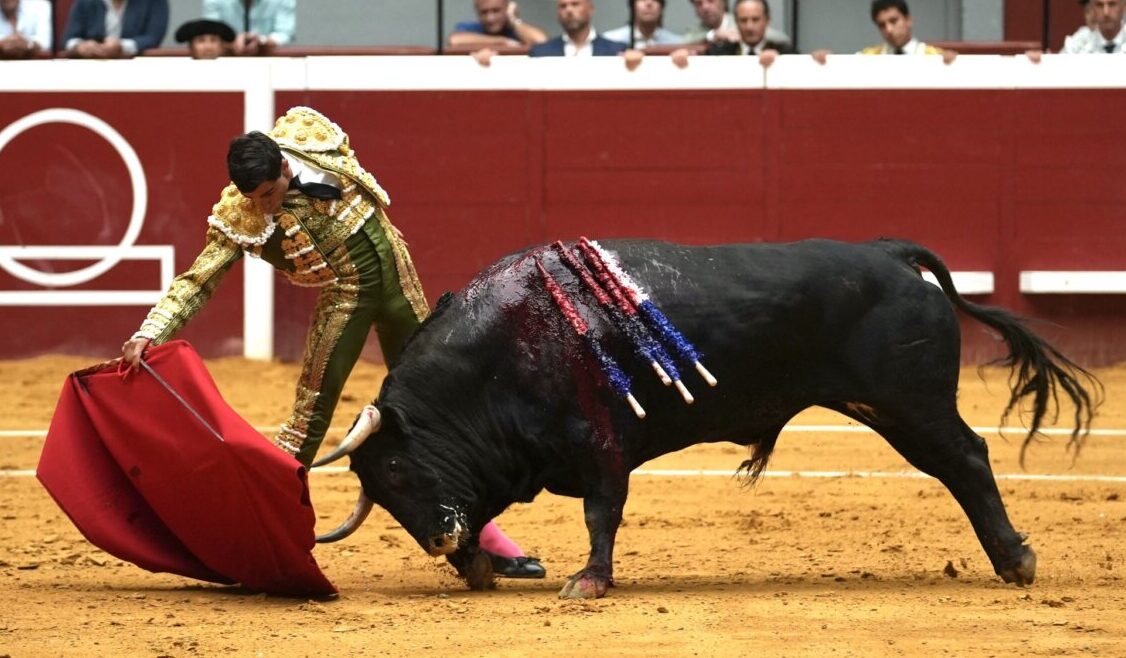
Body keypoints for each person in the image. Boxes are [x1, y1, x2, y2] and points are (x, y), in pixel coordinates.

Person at [120, 106, 545, 580]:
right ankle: (263, 536)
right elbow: (198, 280)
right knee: (309, 419)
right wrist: (149, 331)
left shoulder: (313, 136)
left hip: (399, 278)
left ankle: (478, 540)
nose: (264, 208)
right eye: (254, 199)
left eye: (269, 194)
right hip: (346, 297)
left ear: (284, 165)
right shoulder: (239, 214)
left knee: (447, 412)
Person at [670, 0, 794, 68]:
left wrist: (780, 60)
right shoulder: (720, 51)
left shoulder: (784, 49)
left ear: (767, 20)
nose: (749, 27)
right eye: (743, 20)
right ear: (736, 22)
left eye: (755, 20)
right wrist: (686, 58)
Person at [859, 0, 956, 63]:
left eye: (893, 21)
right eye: (882, 25)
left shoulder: (936, 57)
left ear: (908, 20)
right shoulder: (866, 58)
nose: (889, 29)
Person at [63, 0, 168, 58]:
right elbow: (69, 39)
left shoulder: (154, 2)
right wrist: (79, 46)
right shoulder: (85, 2)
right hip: (90, 67)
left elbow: (153, 37)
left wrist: (122, 46)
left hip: (135, 68)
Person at [530, 0, 628, 56]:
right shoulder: (541, 52)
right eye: (563, 6)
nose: (569, 10)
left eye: (575, 4)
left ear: (590, 9)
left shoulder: (617, 51)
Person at [681, 0, 790, 49]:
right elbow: (683, 43)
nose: (705, 7)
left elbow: (782, 38)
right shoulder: (695, 31)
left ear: (723, 2)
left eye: (711, 1)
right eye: (699, 3)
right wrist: (713, 35)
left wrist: (744, 36)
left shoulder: (742, 20)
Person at [202, 0, 294, 55]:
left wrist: (261, 40)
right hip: (226, 61)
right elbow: (211, 33)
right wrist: (232, 43)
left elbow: (285, 34)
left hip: (268, 62)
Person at [448, 0, 547, 49]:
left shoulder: (518, 30)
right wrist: (501, 41)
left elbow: (542, 42)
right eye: (484, 12)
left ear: (507, 9)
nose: (490, 18)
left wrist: (514, 20)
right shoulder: (470, 28)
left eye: (496, 11)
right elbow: (454, 40)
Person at [602, 0, 683, 49]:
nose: (649, 3)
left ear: (662, 7)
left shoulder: (677, 44)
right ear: (632, 6)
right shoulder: (610, 40)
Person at [1060, 0, 1124, 53]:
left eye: (1112, 4)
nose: (1106, 12)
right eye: (1099, 5)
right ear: (1093, 10)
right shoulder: (1079, 43)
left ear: (1124, 7)